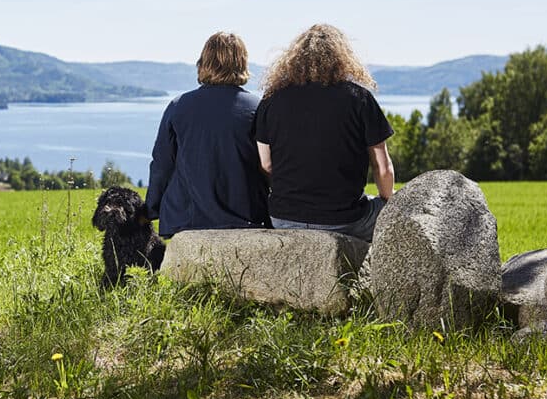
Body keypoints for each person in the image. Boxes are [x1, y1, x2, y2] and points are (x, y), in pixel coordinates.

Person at [255, 24, 394, 241]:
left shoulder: (271, 99)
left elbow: (266, 165)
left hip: (283, 218)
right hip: (345, 219)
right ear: (342, 57)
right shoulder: (360, 98)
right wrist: (387, 203)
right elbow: (383, 168)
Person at [146, 32, 270, 237]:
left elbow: (162, 164)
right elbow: (267, 167)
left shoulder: (179, 106)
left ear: (203, 62)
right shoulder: (257, 108)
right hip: (246, 218)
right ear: (242, 63)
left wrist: (150, 209)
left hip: (185, 220)